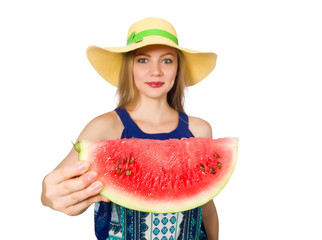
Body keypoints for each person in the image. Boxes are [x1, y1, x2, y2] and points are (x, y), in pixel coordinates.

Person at [41, 17, 219, 240]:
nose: (156, 71)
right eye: (143, 60)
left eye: (167, 61)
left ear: (177, 69)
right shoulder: (104, 128)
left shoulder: (200, 129)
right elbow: (51, 191)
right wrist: (50, 196)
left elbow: (207, 206)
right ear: (130, 68)